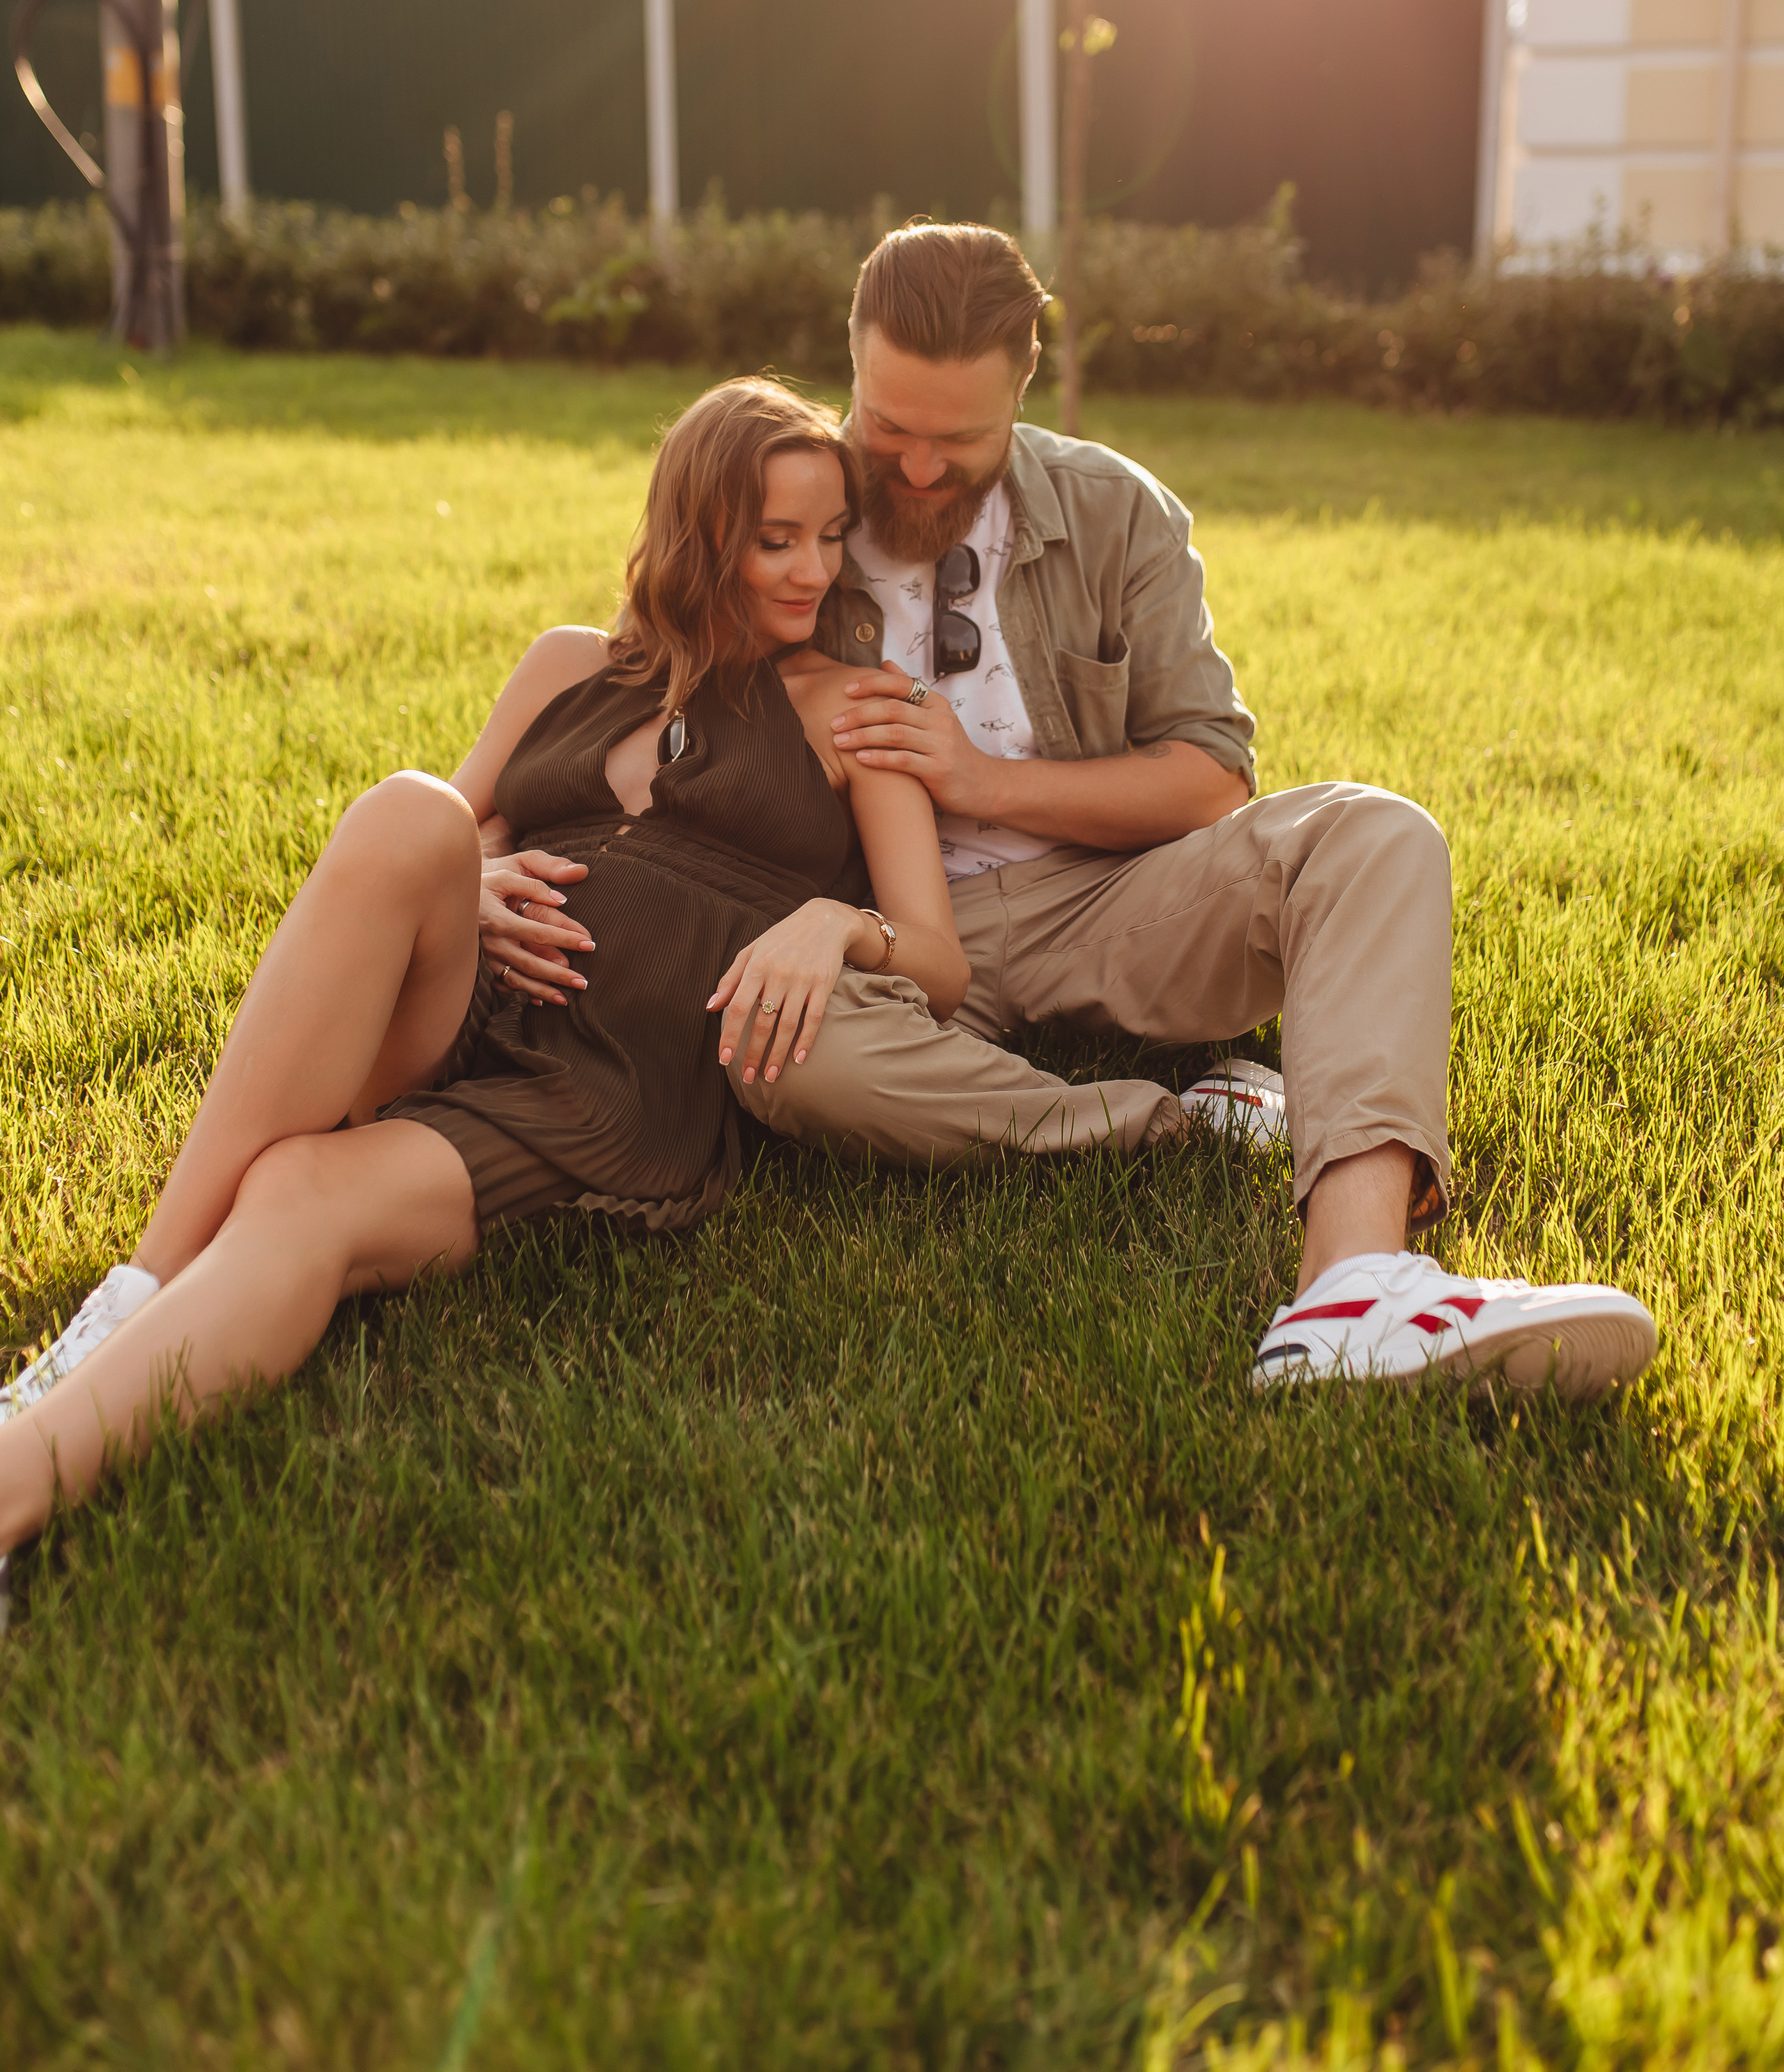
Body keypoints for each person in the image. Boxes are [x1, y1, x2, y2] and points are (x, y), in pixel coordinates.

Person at [4, 378, 1130, 1630]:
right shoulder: (568, 666)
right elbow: (458, 829)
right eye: (775, 540)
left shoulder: (864, 710)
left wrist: (836, 921)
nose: (814, 570)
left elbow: (939, 963)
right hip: (460, 1005)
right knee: (409, 812)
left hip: (600, 1083)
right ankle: (136, 1290)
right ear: (699, 533)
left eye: (828, 536)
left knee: (297, 1193)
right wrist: (480, 879)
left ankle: (18, 1485)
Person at [491, 224, 1656, 1401]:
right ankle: (1175, 1120)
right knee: (773, 1041)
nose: (919, 469)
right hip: (880, 930)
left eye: (959, 439)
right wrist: (483, 857)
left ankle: (1353, 1285)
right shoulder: (786, 498)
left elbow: (1212, 776)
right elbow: (636, 700)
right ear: (853, 365)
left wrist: (980, 781)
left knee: (1377, 832)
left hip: (1110, 900)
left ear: (1024, 385)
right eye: (889, 427)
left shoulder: (1117, 513)